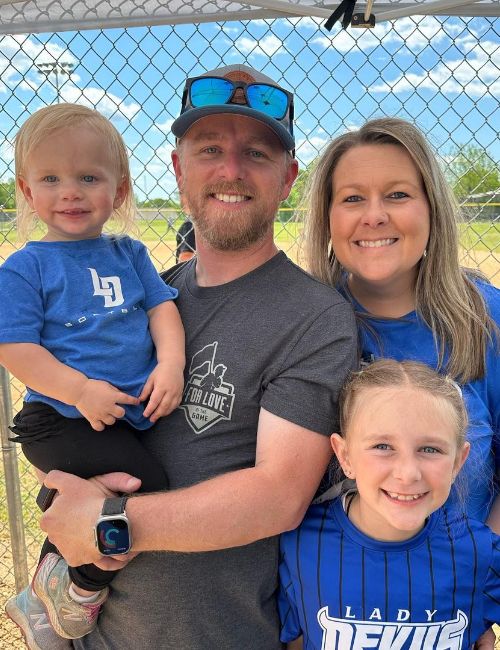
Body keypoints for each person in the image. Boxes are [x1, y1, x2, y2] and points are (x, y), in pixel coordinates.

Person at [24, 64, 358, 649]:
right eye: (209, 149)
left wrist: (108, 525)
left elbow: (278, 496)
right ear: (179, 170)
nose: (230, 170)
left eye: (256, 153)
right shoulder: (147, 293)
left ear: (288, 180)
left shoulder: (313, 317)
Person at [303, 116, 500, 649]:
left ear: (431, 208)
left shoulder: (487, 321)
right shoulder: (301, 323)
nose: (374, 216)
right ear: (326, 217)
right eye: (351, 199)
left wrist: (471, 583)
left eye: (397, 194)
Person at [0, 104, 185, 645]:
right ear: (28, 192)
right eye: (51, 179)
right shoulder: (25, 267)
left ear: (119, 190)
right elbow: (14, 348)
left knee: (117, 490)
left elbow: (162, 309)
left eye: (88, 177)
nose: (71, 192)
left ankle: (45, 574)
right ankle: (69, 590)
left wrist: (171, 362)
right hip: (59, 421)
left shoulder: (129, 253)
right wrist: (78, 390)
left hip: (120, 421)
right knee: (145, 490)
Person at [279, 359, 500, 649]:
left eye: (430, 449)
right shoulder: (300, 542)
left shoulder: (480, 552)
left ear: (458, 461)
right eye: (383, 447)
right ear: (344, 456)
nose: (407, 473)